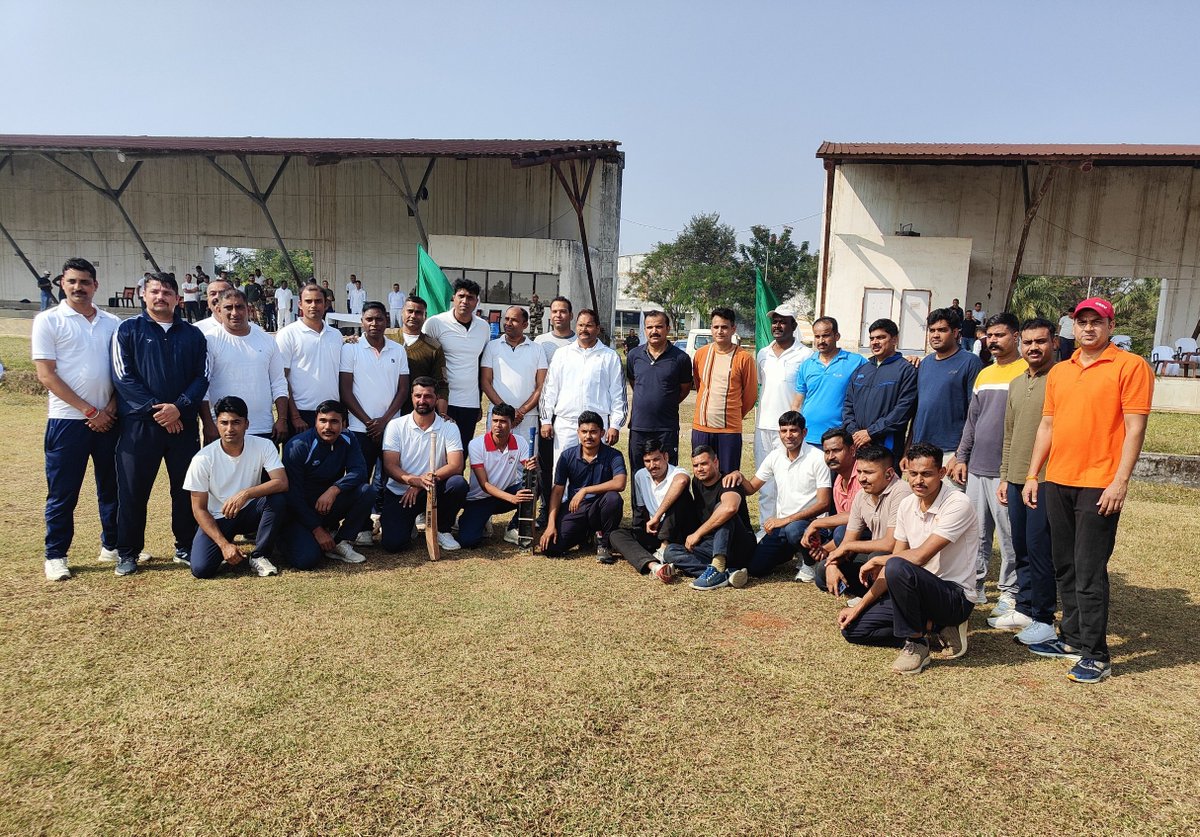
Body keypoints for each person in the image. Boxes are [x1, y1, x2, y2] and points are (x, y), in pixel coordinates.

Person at [1022, 298, 1153, 684]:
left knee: (1089, 569)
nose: (1089, 329)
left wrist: (1120, 481)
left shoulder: (1130, 367)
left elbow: (1135, 428)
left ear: (1111, 326)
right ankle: (1073, 637)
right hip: (1058, 479)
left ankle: (1097, 654)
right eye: (1082, 322)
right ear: (1072, 327)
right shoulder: (1062, 371)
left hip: (1099, 483)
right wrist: (1034, 474)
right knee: (1065, 563)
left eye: (1097, 322)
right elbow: (1047, 425)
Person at [836, 443, 979, 675]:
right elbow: (896, 560)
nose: (918, 480)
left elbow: (919, 556)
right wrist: (859, 607)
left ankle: (917, 644)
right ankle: (937, 627)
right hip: (915, 594)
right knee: (854, 630)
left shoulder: (958, 503)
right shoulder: (907, 504)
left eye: (927, 474)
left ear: (942, 473)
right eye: (913, 474)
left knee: (895, 564)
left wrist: (878, 560)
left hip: (953, 597)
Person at [110, 272, 209, 576]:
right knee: (133, 491)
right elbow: (123, 377)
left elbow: (201, 377)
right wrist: (159, 412)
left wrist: (178, 408)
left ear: (178, 299)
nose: (160, 297)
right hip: (141, 427)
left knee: (184, 490)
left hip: (183, 426)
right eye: (155, 291)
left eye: (167, 292)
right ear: (143, 295)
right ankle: (128, 552)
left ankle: (184, 545)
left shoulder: (193, 335)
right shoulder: (127, 330)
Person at [32, 257, 122, 581]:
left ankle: (112, 545)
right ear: (61, 284)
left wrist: (110, 408)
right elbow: (46, 375)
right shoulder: (49, 321)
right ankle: (56, 554)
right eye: (71, 282)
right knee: (63, 492)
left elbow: (121, 373)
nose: (78, 288)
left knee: (112, 487)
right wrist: (90, 411)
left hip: (110, 420)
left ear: (95, 285)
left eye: (85, 282)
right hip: (68, 421)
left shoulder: (112, 322)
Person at [952, 312, 1026, 610]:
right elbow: (972, 421)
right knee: (977, 534)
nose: (993, 341)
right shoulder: (984, 373)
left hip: (1005, 470)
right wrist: (961, 456)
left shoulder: (1026, 372)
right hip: (976, 468)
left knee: (1009, 536)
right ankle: (978, 582)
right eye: (990, 335)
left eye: (1000, 335)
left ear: (1015, 336)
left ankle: (1010, 590)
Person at [994, 318, 1059, 645]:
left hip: (1047, 479)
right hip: (1017, 478)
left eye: (1041, 341)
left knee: (1039, 548)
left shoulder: (1060, 379)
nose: (1034, 348)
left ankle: (1044, 618)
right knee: (1020, 546)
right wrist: (1006, 476)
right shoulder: (1018, 383)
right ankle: (1024, 606)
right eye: (1029, 342)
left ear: (1054, 343)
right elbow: (1009, 434)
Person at [184, 396, 287, 579]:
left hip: (249, 511)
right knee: (201, 569)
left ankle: (259, 555)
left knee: (277, 498)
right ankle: (225, 547)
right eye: (224, 423)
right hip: (219, 517)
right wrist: (223, 545)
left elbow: (281, 482)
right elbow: (198, 509)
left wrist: (245, 494)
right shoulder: (202, 459)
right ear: (217, 424)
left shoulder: (263, 445)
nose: (230, 429)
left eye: (236, 422)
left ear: (247, 424)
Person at [727, 411, 831, 581]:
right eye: (784, 431)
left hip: (813, 526)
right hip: (784, 527)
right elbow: (752, 487)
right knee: (756, 568)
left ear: (804, 433)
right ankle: (793, 552)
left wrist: (785, 520)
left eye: (793, 430)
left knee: (794, 529)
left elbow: (824, 503)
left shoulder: (818, 458)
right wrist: (739, 476)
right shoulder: (775, 456)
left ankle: (810, 564)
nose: (788, 436)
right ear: (779, 433)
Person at [280, 399, 379, 567]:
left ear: (344, 424)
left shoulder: (349, 437)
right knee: (307, 560)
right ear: (315, 421)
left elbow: (359, 471)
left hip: (327, 505)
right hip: (300, 511)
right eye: (322, 421)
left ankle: (341, 542)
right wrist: (316, 529)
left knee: (367, 491)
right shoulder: (298, 446)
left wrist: (334, 489)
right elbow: (293, 495)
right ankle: (287, 538)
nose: (327, 427)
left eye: (334, 421)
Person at [339, 300, 410, 532]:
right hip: (361, 429)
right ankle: (361, 528)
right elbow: (346, 391)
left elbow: (403, 389)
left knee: (391, 478)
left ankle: (388, 521)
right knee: (361, 479)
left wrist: (385, 421)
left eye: (379, 319)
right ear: (361, 321)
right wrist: (370, 422)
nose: (374, 323)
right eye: (369, 319)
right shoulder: (350, 349)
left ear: (387, 322)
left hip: (391, 428)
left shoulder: (398, 350)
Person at [379, 377, 469, 553]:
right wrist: (413, 481)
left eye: (428, 396)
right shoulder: (396, 426)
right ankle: (408, 523)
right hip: (402, 493)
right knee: (393, 544)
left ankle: (442, 529)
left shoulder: (448, 427)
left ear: (436, 399)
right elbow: (390, 466)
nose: (422, 401)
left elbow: (456, 465)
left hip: (433, 489)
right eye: (418, 395)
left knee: (457, 484)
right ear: (411, 397)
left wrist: (422, 483)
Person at [812, 443, 912, 599]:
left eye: (869, 472)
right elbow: (848, 540)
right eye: (859, 472)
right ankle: (873, 595)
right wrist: (832, 564)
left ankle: (880, 598)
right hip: (876, 554)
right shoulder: (862, 495)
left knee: (876, 558)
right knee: (822, 572)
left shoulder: (902, 492)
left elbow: (890, 544)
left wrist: (846, 547)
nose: (861, 478)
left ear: (889, 474)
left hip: (901, 559)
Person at [538, 308, 627, 473]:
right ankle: (562, 500)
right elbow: (549, 390)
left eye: (589, 325)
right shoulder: (562, 354)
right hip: (566, 423)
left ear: (597, 329)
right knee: (562, 473)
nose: (584, 329)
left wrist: (615, 425)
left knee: (596, 472)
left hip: (598, 425)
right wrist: (546, 421)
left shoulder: (609, 356)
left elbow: (618, 395)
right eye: (580, 325)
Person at [625, 309, 692, 524]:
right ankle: (639, 519)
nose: (654, 331)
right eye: (650, 327)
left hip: (666, 428)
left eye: (659, 326)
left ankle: (666, 520)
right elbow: (635, 384)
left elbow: (683, 390)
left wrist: (663, 403)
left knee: (666, 475)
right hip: (639, 427)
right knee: (639, 474)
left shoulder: (680, 358)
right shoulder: (634, 354)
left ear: (667, 328)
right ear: (644, 330)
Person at [201, 288, 289, 445]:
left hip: (263, 427)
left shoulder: (267, 341)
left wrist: (282, 419)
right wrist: (208, 424)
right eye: (228, 307)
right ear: (219, 310)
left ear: (248, 309)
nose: (235, 312)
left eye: (239, 307)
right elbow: (203, 387)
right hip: (223, 429)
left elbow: (279, 383)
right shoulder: (209, 341)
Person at [754, 304, 813, 537]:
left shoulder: (806, 355)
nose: (777, 326)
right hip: (763, 428)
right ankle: (764, 530)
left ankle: (789, 532)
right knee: (766, 483)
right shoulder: (762, 354)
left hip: (789, 430)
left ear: (793, 326)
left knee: (790, 485)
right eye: (775, 321)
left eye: (783, 321)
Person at [663, 445, 755, 591]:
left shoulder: (729, 481)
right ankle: (727, 574)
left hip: (738, 543)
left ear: (716, 462)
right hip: (711, 542)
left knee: (723, 510)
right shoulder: (697, 482)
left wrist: (697, 533)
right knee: (671, 551)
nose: (700, 469)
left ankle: (718, 567)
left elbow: (730, 508)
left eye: (704, 464)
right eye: (696, 465)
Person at [538, 410, 626, 562]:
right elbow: (557, 492)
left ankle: (604, 543)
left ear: (602, 432)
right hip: (576, 508)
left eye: (593, 432)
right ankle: (585, 535)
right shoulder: (567, 456)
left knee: (613, 498)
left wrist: (585, 490)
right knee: (550, 549)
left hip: (601, 507)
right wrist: (550, 524)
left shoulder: (614, 455)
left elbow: (620, 483)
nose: (588, 436)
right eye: (584, 432)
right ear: (578, 433)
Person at [911, 308, 983, 480]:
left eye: (942, 330)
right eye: (932, 330)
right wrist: (909, 450)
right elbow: (918, 412)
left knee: (951, 505)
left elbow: (975, 413)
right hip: (920, 451)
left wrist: (960, 455)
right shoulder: (925, 363)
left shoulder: (970, 362)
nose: (936, 335)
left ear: (956, 332)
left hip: (950, 453)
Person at [609, 439, 695, 582]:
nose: (652, 465)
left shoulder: (678, 472)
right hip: (655, 530)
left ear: (666, 457)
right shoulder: (640, 476)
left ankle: (664, 549)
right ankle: (654, 565)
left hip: (678, 530)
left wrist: (657, 516)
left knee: (681, 496)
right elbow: (641, 508)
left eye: (656, 460)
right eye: (647, 461)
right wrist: (645, 527)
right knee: (616, 534)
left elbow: (682, 481)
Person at [422, 277, 491, 452]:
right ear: (453, 297)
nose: (465, 301)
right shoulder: (435, 323)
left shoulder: (483, 327)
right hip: (443, 400)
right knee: (438, 450)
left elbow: (481, 364)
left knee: (462, 450)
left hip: (470, 401)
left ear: (476, 301)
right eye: (461, 296)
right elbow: (422, 354)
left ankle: (457, 481)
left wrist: (479, 401)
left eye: (470, 297)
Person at [457, 403, 537, 548]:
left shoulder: (520, 442)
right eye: (495, 421)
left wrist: (532, 467)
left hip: (506, 494)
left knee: (535, 483)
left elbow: (529, 468)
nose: (498, 425)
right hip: (480, 499)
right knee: (468, 541)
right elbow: (484, 485)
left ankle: (513, 527)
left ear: (512, 424)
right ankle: (476, 519)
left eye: (503, 421)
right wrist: (512, 498)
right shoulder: (476, 444)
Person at [691, 307, 757, 474]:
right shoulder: (701, 354)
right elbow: (700, 386)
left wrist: (732, 414)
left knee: (728, 478)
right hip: (702, 428)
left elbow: (750, 395)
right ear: (711, 328)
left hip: (729, 431)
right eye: (716, 327)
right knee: (702, 477)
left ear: (733, 329)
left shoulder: (744, 358)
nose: (720, 331)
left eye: (725, 327)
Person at [842, 318, 917, 455]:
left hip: (886, 446)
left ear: (894, 340)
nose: (875, 342)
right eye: (872, 338)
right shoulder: (861, 370)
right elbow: (848, 405)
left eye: (881, 337)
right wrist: (855, 433)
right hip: (858, 444)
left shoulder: (906, 370)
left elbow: (903, 410)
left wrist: (871, 433)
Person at [276, 283, 343, 432]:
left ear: (326, 304)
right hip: (301, 414)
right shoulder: (288, 334)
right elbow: (281, 379)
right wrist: (294, 417)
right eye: (308, 301)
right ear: (300, 304)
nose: (313, 305)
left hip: (331, 413)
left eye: (318, 301)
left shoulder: (336, 335)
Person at [791, 316, 867, 446]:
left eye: (825, 336)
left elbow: (879, 368)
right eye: (817, 336)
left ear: (837, 336)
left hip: (839, 437)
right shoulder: (807, 365)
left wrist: (910, 360)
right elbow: (797, 404)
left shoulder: (856, 361)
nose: (821, 341)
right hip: (808, 437)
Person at [533, 296, 575, 525]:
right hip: (547, 412)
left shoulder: (579, 342)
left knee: (571, 462)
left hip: (571, 413)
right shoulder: (540, 342)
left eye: (563, 311)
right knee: (545, 463)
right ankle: (545, 508)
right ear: (550, 315)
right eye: (555, 311)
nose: (558, 315)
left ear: (571, 315)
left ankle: (570, 509)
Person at [481, 305, 547, 439]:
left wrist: (521, 411)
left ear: (525, 324)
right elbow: (485, 382)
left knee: (527, 459)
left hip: (527, 417)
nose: (508, 323)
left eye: (514, 320)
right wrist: (506, 412)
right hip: (498, 416)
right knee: (495, 458)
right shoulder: (492, 346)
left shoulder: (537, 349)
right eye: (506, 319)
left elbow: (542, 385)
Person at [802, 427, 862, 566]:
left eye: (836, 450)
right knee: (821, 574)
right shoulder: (838, 481)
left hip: (876, 538)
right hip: (852, 538)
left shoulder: (863, 473)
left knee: (841, 531)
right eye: (827, 452)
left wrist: (817, 523)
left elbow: (858, 516)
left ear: (852, 450)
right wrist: (824, 550)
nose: (830, 457)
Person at [397, 295, 449, 416]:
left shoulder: (434, 347)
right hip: (385, 409)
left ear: (425, 316)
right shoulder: (385, 337)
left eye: (418, 312)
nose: (413, 316)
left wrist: (442, 415)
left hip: (418, 411)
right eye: (410, 311)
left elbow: (441, 384)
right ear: (402, 312)